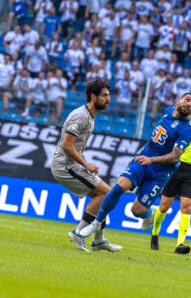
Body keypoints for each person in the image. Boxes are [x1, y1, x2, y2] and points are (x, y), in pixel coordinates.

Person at [79, 93, 191, 240]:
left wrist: (152, 159)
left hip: (161, 172)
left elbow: (175, 156)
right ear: (179, 100)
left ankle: (148, 214)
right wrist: (148, 157)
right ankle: (96, 223)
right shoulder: (168, 111)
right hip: (143, 160)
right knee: (118, 187)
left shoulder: (188, 128)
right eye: (187, 100)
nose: (189, 104)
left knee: (136, 210)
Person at [51, 78, 121, 253]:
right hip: (64, 166)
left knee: (105, 194)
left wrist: (85, 163)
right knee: (105, 192)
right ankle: (79, 233)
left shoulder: (89, 117)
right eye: (104, 95)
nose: (108, 99)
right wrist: (86, 164)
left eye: (108, 95)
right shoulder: (81, 116)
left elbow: (74, 145)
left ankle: (98, 240)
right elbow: (66, 145)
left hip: (71, 164)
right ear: (93, 96)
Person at [150, 102, 191, 254]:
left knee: (187, 206)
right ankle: (155, 234)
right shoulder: (181, 125)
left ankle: (180, 244)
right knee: (164, 205)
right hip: (175, 167)